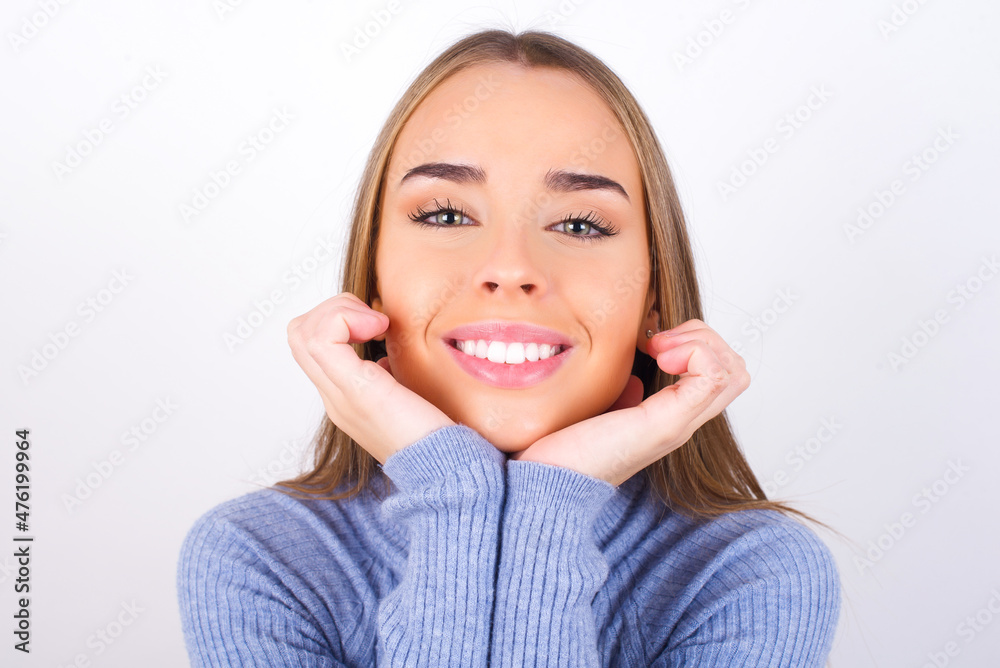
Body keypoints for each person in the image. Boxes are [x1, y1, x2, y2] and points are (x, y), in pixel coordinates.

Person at [177, 28, 841, 667]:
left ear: (654, 296)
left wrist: (550, 503)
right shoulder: (260, 557)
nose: (511, 267)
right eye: (446, 215)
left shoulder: (753, 575)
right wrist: (454, 492)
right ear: (372, 278)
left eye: (579, 224)